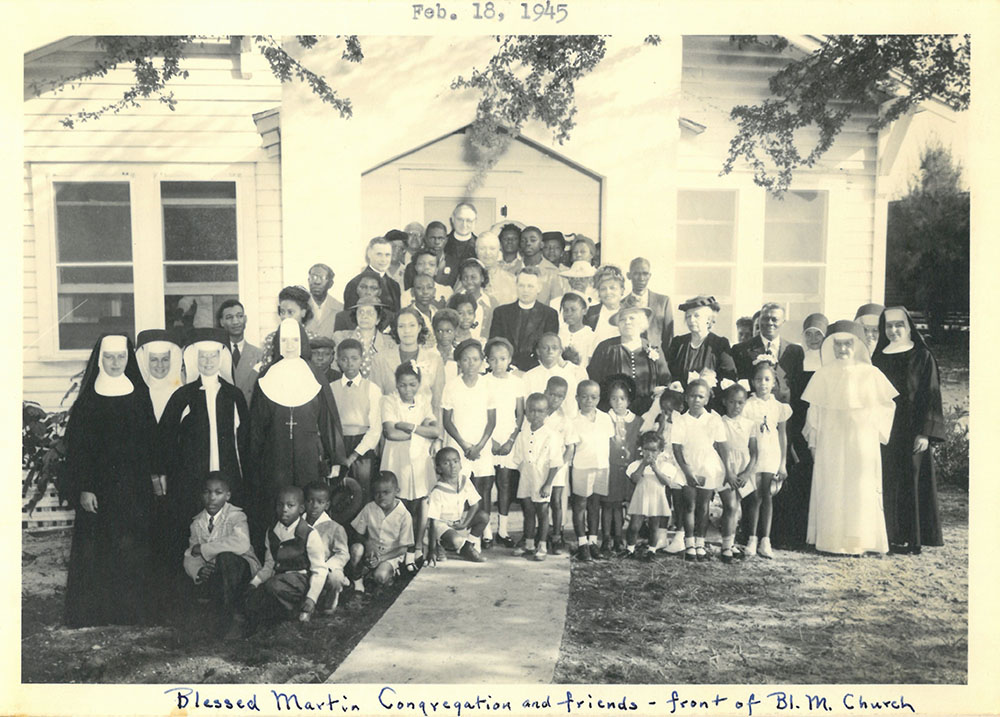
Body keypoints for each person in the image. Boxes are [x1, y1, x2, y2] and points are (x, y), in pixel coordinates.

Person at [63, 334, 158, 627]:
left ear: (128, 358)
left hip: (133, 487)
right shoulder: (89, 400)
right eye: (109, 357)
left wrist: (154, 474)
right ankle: (96, 612)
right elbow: (78, 450)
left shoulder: (139, 394)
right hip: (99, 488)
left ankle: (132, 612)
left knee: (132, 547)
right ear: (100, 359)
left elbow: (150, 440)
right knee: (98, 549)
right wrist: (84, 487)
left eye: (120, 357)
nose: (115, 363)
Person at [248, 319, 346, 545]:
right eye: (284, 340)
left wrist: (336, 458)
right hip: (275, 455)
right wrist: (253, 462)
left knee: (309, 502)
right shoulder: (266, 375)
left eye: (294, 340)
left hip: (308, 455)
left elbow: (328, 419)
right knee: (279, 503)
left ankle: (309, 557)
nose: (289, 345)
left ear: (302, 342)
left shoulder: (315, 376)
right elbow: (256, 427)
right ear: (277, 343)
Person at [804, 320, 897, 555]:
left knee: (860, 486)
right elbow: (814, 410)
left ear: (857, 346)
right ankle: (831, 540)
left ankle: (861, 539)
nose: (842, 349)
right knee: (832, 485)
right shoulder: (823, 374)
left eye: (848, 344)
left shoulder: (871, 373)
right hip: (831, 440)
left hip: (861, 439)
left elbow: (887, 405)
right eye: (838, 344)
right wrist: (814, 440)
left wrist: (874, 430)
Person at [159, 328, 250, 560]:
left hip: (227, 475)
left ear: (221, 359)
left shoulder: (234, 395)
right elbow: (167, 438)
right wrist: (165, 473)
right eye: (203, 356)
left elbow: (245, 438)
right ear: (194, 359)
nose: (208, 361)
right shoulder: (183, 396)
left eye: (213, 356)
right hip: (191, 478)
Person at [872, 306, 946, 554]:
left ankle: (913, 539)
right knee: (888, 480)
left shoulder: (922, 355)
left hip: (913, 430)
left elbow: (931, 396)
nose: (893, 331)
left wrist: (925, 432)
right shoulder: (878, 356)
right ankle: (889, 537)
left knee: (912, 480)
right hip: (885, 429)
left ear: (908, 326)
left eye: (898, 325)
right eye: (889, 326)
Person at [182, 473, 260, 636]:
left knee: (226, 558)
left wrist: (204, 549)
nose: (212, 497)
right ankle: (218, 617)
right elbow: (190, 554)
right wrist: (199, 571)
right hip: (217, 573)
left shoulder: (236, 516)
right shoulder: (197, 522)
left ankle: (235, 616)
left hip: (241, 570)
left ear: (227, 495)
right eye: (207, 492)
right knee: (200, 573)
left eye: (218, 493)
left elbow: (241, 543)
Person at [380, 362, 440, 571]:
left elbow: (435, 431)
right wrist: (420, 431)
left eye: (412, 385)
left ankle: (417, 548)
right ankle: (401, 552)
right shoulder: (389, 400)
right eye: (403, 385)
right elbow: (390, 433)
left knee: (421, 501)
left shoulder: (423, 401)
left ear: (419, 384)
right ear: (396, 384)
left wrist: (409, 426)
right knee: (401, 502)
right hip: (398, 458)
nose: (407, 390)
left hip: (419, 459)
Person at [243, 486, 328, 633]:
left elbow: (319, 569)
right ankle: (270, 620)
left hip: (300, 582)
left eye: (290, 505)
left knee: (273, 586)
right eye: (280, 505)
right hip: (278, 581)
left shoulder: (309, 534)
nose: (284, 509)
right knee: (251, 597)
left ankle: (300, 609)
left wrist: (311, 597)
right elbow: (269, 564)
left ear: (301, 508)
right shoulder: (272, 532)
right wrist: (255, 583)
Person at [671, 379, 733, 562]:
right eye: (692, 396)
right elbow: (676, 448)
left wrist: (728, 470)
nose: (696, 400)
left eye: (700, 396)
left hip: (707, 464)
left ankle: (700, 542)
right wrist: (687, 471)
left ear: (707, 399)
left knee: (703, 505)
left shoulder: (714, 419)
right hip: (688, 465)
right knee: (689, 505)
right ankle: (689, 543)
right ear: (686, 398)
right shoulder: (681, 420)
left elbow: (722, 447)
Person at [442, 339, 497, 539]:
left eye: (475, 359)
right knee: (460, 487)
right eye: (465, 359)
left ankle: (485, 532)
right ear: (459, 362)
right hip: (459, 445)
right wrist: (465, 445)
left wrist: (479, 446)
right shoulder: (452, 386)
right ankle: (456, 532)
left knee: (484, 486)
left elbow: (492, 421)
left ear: (482, 361)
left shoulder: (488, 384)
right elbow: (447, 421)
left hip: (481, 445)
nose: (471, 364)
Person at [740, 359, 791, 559]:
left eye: (767, 379)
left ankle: (765, 540)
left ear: (774, 383)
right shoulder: (747, 405)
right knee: (754, 497)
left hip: (771, 453)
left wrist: (783, 462)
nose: (763, 383)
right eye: (759, 379)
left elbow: (782, 435)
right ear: (753, 382)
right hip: (753, 454)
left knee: (767, 495)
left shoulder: (779, 407)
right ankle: (751, 538)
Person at [564, 379, 615, 562]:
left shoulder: (605, 418)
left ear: (599, 398)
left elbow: (609, 442)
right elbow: (571, 447)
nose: (588, 401)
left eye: (593, 397)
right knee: (580, 505)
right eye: (584, 397)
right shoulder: (573, 421)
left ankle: (593, 541)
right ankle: (582, 543)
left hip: (602, 466)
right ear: (577, 398)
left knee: (595, 504)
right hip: (582, 467)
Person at [510, 393, 564, 561]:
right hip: (527, 476)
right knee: (528, 511)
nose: (536, 415)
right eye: (532, 411)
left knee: (542, 511)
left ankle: (542, 544)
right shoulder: (523, 434)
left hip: (543, 477)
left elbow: (556, 463)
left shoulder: (551, 435)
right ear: (526, 412)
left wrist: (548, 484)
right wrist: (525, 474)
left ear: (547, 412)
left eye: (540, 411)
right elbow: (518, 459)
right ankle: (529, 543)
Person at [587, 304, 668, 416]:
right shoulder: (606, 348)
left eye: (632, 318)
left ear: (641, 322)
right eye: (622, 319)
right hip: (612, 411)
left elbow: (665, 380)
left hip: (647, 413)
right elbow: (593, 380)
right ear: (618, 325)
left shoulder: (653, 348)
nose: (627, 322)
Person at [328, 338, 384, 500]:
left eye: (354, 359)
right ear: (338, 362)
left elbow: (375, 429)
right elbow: (329, 423)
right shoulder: (331, 389)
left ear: (361, 360)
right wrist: (337, 453)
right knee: (338, 492)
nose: (350, 364)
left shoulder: (372, 389)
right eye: (344, 359)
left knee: (362, 491)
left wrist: (354, 455)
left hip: (363, 448)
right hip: (338, 445)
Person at [483, 337, 525, 548]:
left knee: (505, 483)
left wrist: (511, 439)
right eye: (494, 359)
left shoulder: (517, 382)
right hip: (488, 439)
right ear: (487, 361)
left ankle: (503, 529)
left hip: (508, 437)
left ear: (509, 359)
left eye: (503, 358)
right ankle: (486, 531)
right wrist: (488, 441)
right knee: (487, 484)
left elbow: (520, 415)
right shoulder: (483, 382)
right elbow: (481, 414)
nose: (498, 363)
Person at [665, 295, 737, 408]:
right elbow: (669, 373)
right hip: (680, 406)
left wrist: (710, 383)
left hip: (709, 406)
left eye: (696, 316)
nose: (691, 320)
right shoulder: (678, 343)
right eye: (688, 316)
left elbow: (729, 377)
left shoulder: (719, 344)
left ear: (708, 320)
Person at [371, 308, 446, 415]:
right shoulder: (380, 359)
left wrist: (436, 430)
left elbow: (437, 403)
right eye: (401, 326)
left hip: (424, 427)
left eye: (412, 325)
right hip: (392, 426)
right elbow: (375, 401)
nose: (407, 331)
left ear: (419, 327)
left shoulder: (434, 360)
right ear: (395, 329)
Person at [348, 472, 415, 590]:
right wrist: (368, 544)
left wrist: (381, 559)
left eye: (386, 492)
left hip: (391, 554)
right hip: (371, 551)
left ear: (396, 491)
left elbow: (403, 548)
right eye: (377, 493)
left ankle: (386, 574)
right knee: (356, 549)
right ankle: (357, 581)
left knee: (380, 576)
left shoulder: (404, 515)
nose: (381, 497)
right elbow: (358, 534)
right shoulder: (370, 508)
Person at [489, 267, 560, 372]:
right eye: (521, 285)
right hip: (506, 369)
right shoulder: (501, 312)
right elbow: (495, 345)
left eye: (530, 286)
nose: (525, 290)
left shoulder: (549, 314)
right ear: (516, 286)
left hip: (537, 370)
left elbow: (547, 349)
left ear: (539, 288)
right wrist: (511, 368)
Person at [426, 447, 489, 564]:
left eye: (455, 461)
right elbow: (433, 522)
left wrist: (464, 523)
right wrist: (432, 549)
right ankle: (442, 545)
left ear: (461, 464)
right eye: (446, 463)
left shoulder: (464, 481)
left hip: (459, 522)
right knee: (455, 540)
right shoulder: (438, 491)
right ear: (439, 469)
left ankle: (469, 545)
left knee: (483, 516)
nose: (452, 466)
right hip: (443, 525)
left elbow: (475, 504)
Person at [718, 380, 758, 563]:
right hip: (726, 468)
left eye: (740, 402)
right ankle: (726, 547)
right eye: (732, 402)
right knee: (730, 506)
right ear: (725, 401)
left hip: (743, 469)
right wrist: (730, 472)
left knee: (737, 508)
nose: (736, 406)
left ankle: (730, 542)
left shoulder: (750, 424)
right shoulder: (720, 422)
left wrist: (747, 473)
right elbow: (721, 449)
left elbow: (755, 453)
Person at [603, 376, 643, 556]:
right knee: (610, 504)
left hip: (629, 470)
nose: (617, 403)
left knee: (621, 505)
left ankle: (619, 537)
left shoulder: (637, 421)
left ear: (629, 400)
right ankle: (606, 538)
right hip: (610, 468)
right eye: (613, 398)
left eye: (622, 399)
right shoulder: (604, 419)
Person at [624, 432, 675, 560]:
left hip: (656, 498)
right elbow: (634, 479)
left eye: (654, 450)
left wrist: (655, 468)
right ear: (641, 449)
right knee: (634, 525)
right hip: (640, 497)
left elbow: (667, 482)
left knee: (654, 526)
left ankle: (652, 550)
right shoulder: (636, 464)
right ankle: (630, 549)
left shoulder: (665, 466)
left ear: (660, 451)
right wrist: (643, 465)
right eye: (646, 449)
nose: (650, 454)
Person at [303, 481, 350, 615]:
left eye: (320, 502)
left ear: (327, 505)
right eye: (310, 501)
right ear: (304, 503)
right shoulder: (300, 524)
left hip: (326, 566)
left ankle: (329, 604)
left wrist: (327, 566)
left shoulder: (334, 527)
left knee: (335, 578)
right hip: (306, 564)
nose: (314, 506)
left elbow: (343, 554)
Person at [653, 382, 689, 554]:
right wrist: (660, 426)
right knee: (664, 498)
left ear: (680, 407)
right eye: (663, 409)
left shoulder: (684, 422)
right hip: (665, 463)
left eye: (670, 410)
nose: (666, 413)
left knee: (679, 500)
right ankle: (661, 535)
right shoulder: (661, 421)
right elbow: (657, 442)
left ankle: (680, 537)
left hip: (679, 464)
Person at [541, 376, 573, 554]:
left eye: (560, 396)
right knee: (540, 501)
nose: (555, 399)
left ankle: (557, 535)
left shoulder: (565, 419)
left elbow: (570, 447)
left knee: (556, 501)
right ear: (545, 392)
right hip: (540, 466)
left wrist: (560, 465)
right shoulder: (538, 413)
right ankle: (541, 534)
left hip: (558, 468)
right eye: (552, 394)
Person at [524, 333, 587, 419]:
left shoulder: (568, 376)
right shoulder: (529, 376)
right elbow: (526, 406)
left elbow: (571, 409)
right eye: (545, 348)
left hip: (560, 425)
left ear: (560, 352)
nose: (550, 351)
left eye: (554, 348)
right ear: (538, 351)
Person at [332, 296, 396, 380]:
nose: (364, 316)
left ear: (378, 319)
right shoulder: (341, 337)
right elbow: (335, 370)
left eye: (370, 313)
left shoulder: (389, 342)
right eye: (361, 312)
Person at [260, 286, 319, 371]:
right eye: (282, 312)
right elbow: (265, 370)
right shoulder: (271, 339)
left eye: (290, 312)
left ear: (303, 312)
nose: (285, 316)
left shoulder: (314, 339)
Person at [218, 299, 264, 408]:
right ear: (221, 322)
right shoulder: (215, 356)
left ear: (245, 319)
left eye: (239, 316)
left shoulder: (259, 355)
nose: (235, 321)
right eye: (229, 317)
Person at [623, 257, 674, 351]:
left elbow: (669, 336)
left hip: (656, 358)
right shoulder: (622, 304)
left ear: (649, 276)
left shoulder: (663, 302)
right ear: (629, 275)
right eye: (636, 273)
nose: (641, 278)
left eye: (645, 274)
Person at [343, 236, 402, 315]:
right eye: (379, 254)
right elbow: (349, 319)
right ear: (369, 254)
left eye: (387, 255)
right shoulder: (355, 284)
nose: (383, 260)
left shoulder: (394, 285)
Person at [135, 328, 184, 422]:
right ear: (145, 360)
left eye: (165, 359)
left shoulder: (181, 394)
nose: (160, 365)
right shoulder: (137, 395)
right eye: (154, 360)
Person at [404, 222, 460, 290]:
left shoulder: (455, 264)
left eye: (440, 238)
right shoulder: (412, 266)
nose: (437, 242)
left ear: (446, 240)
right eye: (432, 238)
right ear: (426, 239)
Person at [455, 258, 497, 341]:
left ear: (482, 278)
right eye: (465, 278)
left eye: (473, 277)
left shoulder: (491, 302)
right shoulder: (455, 300)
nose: (469, 281)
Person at [517, 226, 562, 303]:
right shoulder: (511, 270)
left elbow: (556, 305)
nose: (528, 243)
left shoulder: (554, 273)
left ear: (541, 244)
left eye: (533, 240)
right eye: (523, 241)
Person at [584, 265, 626, 345]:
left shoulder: (630, 313)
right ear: (598, 292)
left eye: (612, 288)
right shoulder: (590, 314)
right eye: (603, 289)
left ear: (622, 290)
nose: (608, 292)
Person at [475, 230, 517, 306]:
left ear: (499, 251)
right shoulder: (467, 279)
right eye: (482, 248)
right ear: (476, 250)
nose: (487, 253)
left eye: (492, 248)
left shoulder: (511, 281)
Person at [558, 292, 598, 368]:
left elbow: (591, 364)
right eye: (566, 310)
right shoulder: (559, 331)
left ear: (584, 311)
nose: (569, 313)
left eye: (573, 310)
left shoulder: (590, 336)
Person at [305, 263, 343, 340]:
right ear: (308, 281)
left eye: (322, 278)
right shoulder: (299, 306)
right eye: (313, 277)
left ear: (330, 284)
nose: (317, 282)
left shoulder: (340, 309)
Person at [444, 202, 479, 268]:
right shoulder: (442, 243)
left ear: (475, 221)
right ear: (453, 219)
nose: (464, 224)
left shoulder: (480, 244)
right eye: (460, 219)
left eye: (469, 220)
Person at [432, 308, 461, 382]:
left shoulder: (459, 355)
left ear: (456, 331)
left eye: (449, 331)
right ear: (434, 332)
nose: (444, 335)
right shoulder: (428, 354)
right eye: (440, 331)